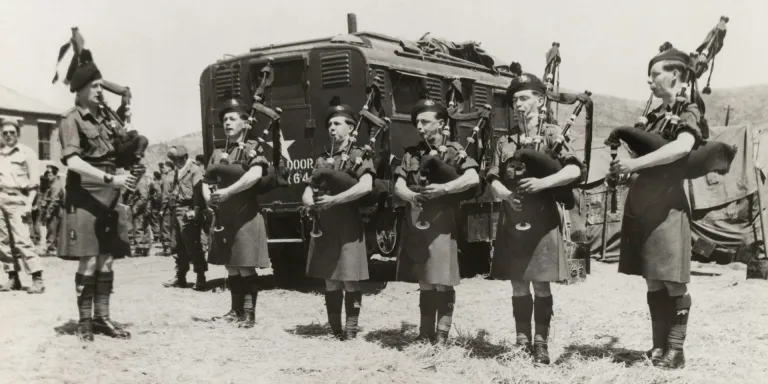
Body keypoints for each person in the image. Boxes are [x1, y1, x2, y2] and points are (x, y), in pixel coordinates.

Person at [608, 47, 704, 369]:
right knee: (652, 278)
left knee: (673, 280)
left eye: (654, 74)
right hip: (643, 204)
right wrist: (621, 169)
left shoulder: (689, 109)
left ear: (674, 75)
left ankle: (676, 350)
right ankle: (658, 348)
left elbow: (682, 147)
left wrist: (634, 163)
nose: (649, 81)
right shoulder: (652, 117)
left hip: (667, 206)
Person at [486, 73, 585, 364]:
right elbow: (492, 177)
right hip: (513, 215)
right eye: (515, 99)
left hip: (542, 217)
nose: (518, 104)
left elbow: (575, 170)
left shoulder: (554, 135)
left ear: (540, 101)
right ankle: (521, 341)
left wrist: (544, 183)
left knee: (541, 283)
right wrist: (504, 194)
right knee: (518, 282)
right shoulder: (505, 141)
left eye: (525, 97)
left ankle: (541, 344)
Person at [56, 53, 136, 340]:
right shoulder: (71, 118)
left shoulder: (106, 119)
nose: (101, 91)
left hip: (110, 194)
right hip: (85, 194)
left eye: (102, 85)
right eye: (95, 86)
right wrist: (109, 178)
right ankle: (85, 322)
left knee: (107, 260)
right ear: (80, 90)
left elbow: (119, 150)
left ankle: (103, 318)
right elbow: (73, 161)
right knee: (88, 260)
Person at [393, 99, 480, 344]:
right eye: (417, 122)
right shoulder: (411, 154)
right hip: (417, 219)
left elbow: (472, 178)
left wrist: (444, 188)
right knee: (425, 279)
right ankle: (425, 333)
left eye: (425, 121)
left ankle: (442, 335)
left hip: (443, 221)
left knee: (442, 279)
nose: (419, 126)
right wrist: (409, 196)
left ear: (441, 123)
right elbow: (398, 183)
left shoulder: (454, 150)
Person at [302, 104, 373, 340]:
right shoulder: (322, 158)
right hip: (325, 225)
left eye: (337, 123)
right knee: (330, 279)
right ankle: (335, 330)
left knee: (350, 278)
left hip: (348, 223)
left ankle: (351, 331)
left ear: (351, 127)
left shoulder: (360, 154)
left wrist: (335, 200)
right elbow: (308, 189)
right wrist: (311, 203)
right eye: (330, 124)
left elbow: (366, 186)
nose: (332, 128)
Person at [203, 99, 270, 328]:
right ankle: (235, 311)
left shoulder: (254, 147)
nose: (227, 123)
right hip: (223, 215)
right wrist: (209, 199)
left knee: (245, 264)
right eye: (224, 120)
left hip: (245, 213)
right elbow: (206, 180)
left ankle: (249, 314)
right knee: (230, 264)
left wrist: (228, 192)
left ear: (245, 122)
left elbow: (256, 175)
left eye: (232, 118)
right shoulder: (218, 152)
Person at [0, 117, 45, 293]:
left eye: (12, 132)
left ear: (18, 134)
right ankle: (13, 278)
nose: (8, 135)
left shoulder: (27, 153)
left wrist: (29, 204)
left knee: (23, 240)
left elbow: (34, 183)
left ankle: (37, 278)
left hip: (18, 199)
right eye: (5, 133)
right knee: (3, 242)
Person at [162, 146, 207, 290]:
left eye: (177, 159)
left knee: (193, 245)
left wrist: (196, 210)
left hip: (189, 210)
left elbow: (198, 192)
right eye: (173, 159)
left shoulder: (194, 170)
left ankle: (200, 276)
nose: (175, 162)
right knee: (177, 245)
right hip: (177, 210)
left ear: (185, 157)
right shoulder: (177, 171)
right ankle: (180, 276)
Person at [42, 163, 64, 255]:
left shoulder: (55, 185)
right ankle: (55, 248)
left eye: (50, 175)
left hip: (55, 211)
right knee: (55, 230)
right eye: (47, 175)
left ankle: (51, 248)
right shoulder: (53, 184)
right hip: (57, 211)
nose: (48, 177)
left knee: (52, 229)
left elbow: (54, 200)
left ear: (55, 175)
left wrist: (48, 212)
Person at [160, 159, 176, 256]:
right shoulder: (177, 176)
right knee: (174, 227)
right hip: (176, 205)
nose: (162, 169)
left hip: (168, 206)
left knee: (165, 226)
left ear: (169, 167)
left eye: (164, 167)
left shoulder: (166, 179)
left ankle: (167, 248)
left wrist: (162, 209)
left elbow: (165, 195)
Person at [149, 170, 162, 243]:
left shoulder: (155, 184)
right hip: (158, 204)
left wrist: (153, 197)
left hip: (155, 205)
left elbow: (158, 194)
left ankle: (157, 236)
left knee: (154, 220)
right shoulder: (160, 182)